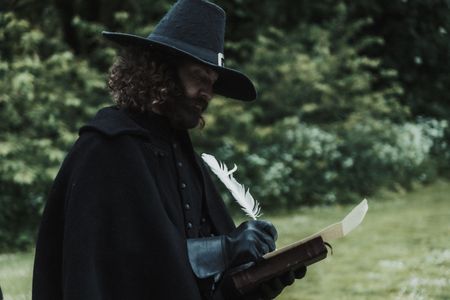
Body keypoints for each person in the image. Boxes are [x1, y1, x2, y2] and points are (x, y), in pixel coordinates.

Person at [32, 0, 306, 299]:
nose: (208, 94)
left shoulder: (185, 157)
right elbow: (120, 272)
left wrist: (258, 280)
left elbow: (191, 285)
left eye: (212, 84)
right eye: (200, 77)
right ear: (159, 71)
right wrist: (225, 248)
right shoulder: (106, 149)